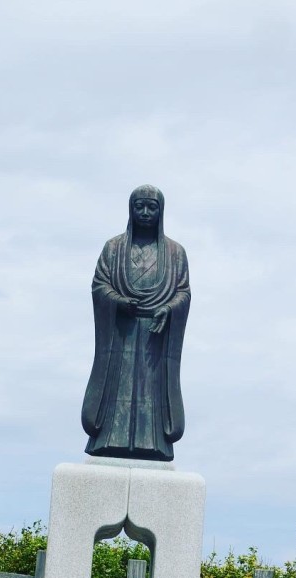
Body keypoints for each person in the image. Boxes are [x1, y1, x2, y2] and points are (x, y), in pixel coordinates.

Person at [82, 185, 190, 461]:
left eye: (151, 208)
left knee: (151, 395)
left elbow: (183, 292)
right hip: (121, 334)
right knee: (117, 389)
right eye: (139, 207)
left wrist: (167, 307)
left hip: (156, 336)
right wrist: (117, 301)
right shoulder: (114, 248)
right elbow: (99, 285)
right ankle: (108, 437)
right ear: (130, 210)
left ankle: (153, 443)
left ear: (160, 212)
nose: (145, 213)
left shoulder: (175, 253)